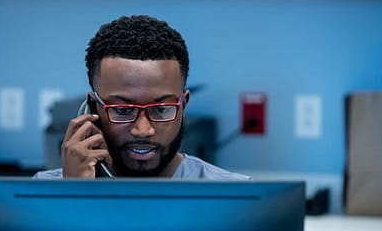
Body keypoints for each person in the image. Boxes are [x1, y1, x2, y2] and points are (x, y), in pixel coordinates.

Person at [34, 15, 249, 180]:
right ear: (92, 108)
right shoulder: (38, 195)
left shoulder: (239, 198)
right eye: (123, 110)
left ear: (183, 106)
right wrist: (70, 197)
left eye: (161, 109)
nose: (143, 130)